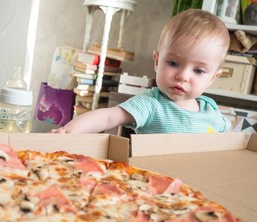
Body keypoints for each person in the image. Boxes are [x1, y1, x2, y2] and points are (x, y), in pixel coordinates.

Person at [50, 9, 231, 134]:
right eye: (173, 63)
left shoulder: (211, 111)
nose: (183, 76)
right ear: (157, 61)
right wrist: (70, 130)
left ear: (212, 78)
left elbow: (230, 141)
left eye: (198, 71)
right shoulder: (151, 105)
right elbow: (108, 117)